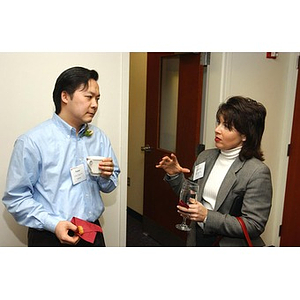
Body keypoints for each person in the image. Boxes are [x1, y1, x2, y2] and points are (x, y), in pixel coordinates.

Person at [2, 66, 120, 247]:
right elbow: (16, 197)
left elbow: (110, 185)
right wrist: (53, 224)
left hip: (92, 233)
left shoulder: (99, 138)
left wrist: (106, 176)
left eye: (97, 98)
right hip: (49, 236)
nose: (95, 104)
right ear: (65, 97)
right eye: (88, 97)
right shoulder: (32, 141)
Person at [156, 96, 272, 246]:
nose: (217, 130)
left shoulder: (257, 172)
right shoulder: (205, 157)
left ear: (245, 135)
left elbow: (254, 225)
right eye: (219, 122)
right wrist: (175, 175)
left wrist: (207, 216)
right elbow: (190, 195)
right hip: (197, 238)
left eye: (227, 126)